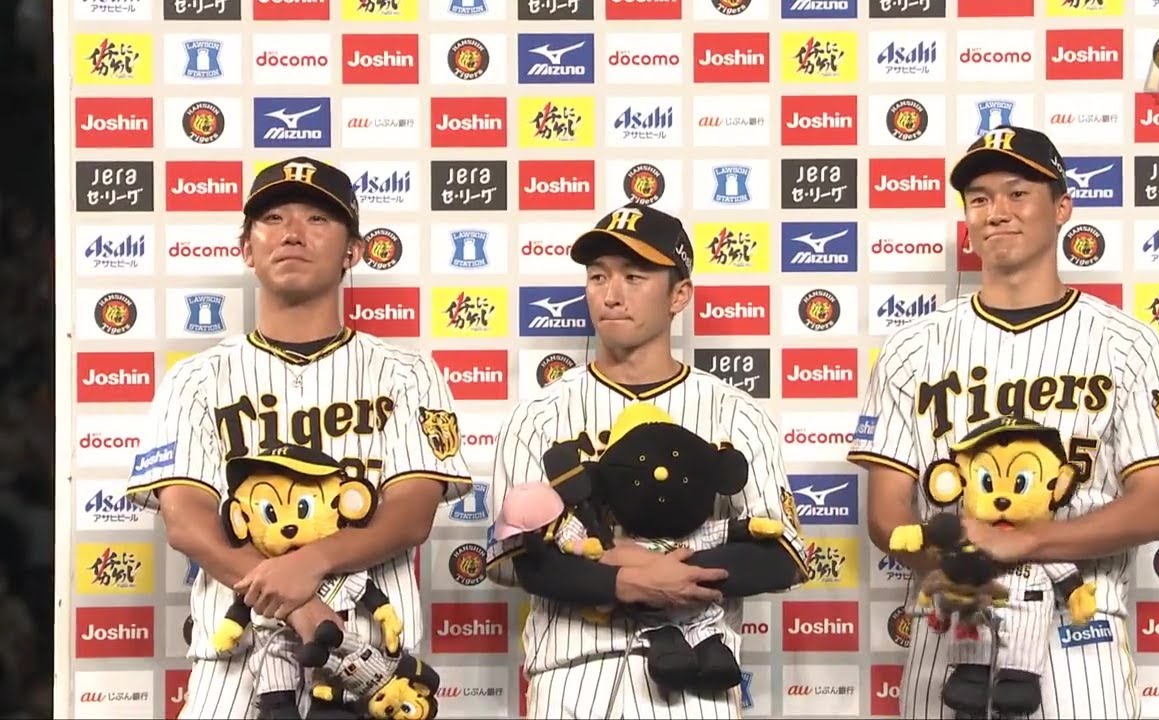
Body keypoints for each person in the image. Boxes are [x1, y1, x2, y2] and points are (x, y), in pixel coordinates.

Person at [848, 125, 1159, 720]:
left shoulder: (1129, 344)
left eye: (1018, 193)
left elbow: (1154, 508)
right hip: (952, 630)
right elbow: (887, 514)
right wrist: (953, 569)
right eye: (980, 198)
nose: (997, 211)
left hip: (1080, 633)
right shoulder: (913, 347)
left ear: (1062, 207)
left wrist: (1027, 541)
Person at [125, 156, 473, 719]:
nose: (291, 233)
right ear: (246, 249)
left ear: (353, 251)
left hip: (369, 663)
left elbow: (410, 516)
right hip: (234, 664)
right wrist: (301, 605)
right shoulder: (195, 379)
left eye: (317, 219)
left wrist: (310, 564)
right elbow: (187, 522)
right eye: (273, 218)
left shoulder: (408, 373)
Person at [484, 203, 811, 719]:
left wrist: (669, 571)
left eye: (634, 277)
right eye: (598, 276)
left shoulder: (735, 413)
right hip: (572, 679)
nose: (611, 294)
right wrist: (624, 581)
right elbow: (518, 559)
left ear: (679, 294)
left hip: (698, 686)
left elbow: (783, 554)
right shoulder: (539, 416)